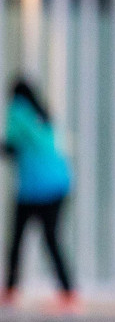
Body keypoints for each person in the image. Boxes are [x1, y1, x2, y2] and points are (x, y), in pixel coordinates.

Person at [3, 79, 74, 305]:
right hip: (59, 184)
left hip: (34, 188)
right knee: (51, 239)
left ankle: (11, 291)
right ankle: (69, 294)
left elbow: (10, 146)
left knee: (17, 240)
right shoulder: (43, 114)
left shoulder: (18, 111)